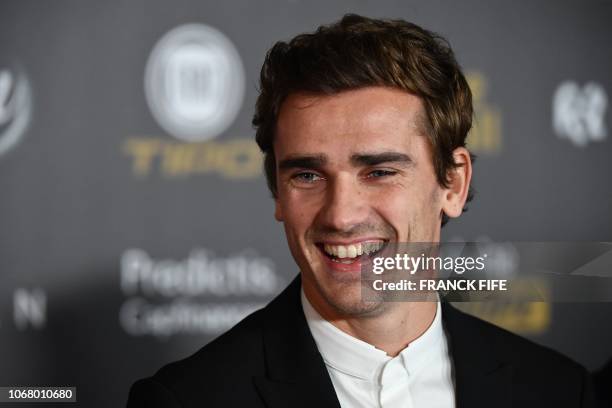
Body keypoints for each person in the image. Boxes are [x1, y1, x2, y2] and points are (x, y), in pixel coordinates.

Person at [127, 14, 595, 408]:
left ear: (452, 182)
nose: (341, 216)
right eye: (307, 175)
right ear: (277, 193)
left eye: (379, 172)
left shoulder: (558, 390)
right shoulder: (186, 400)